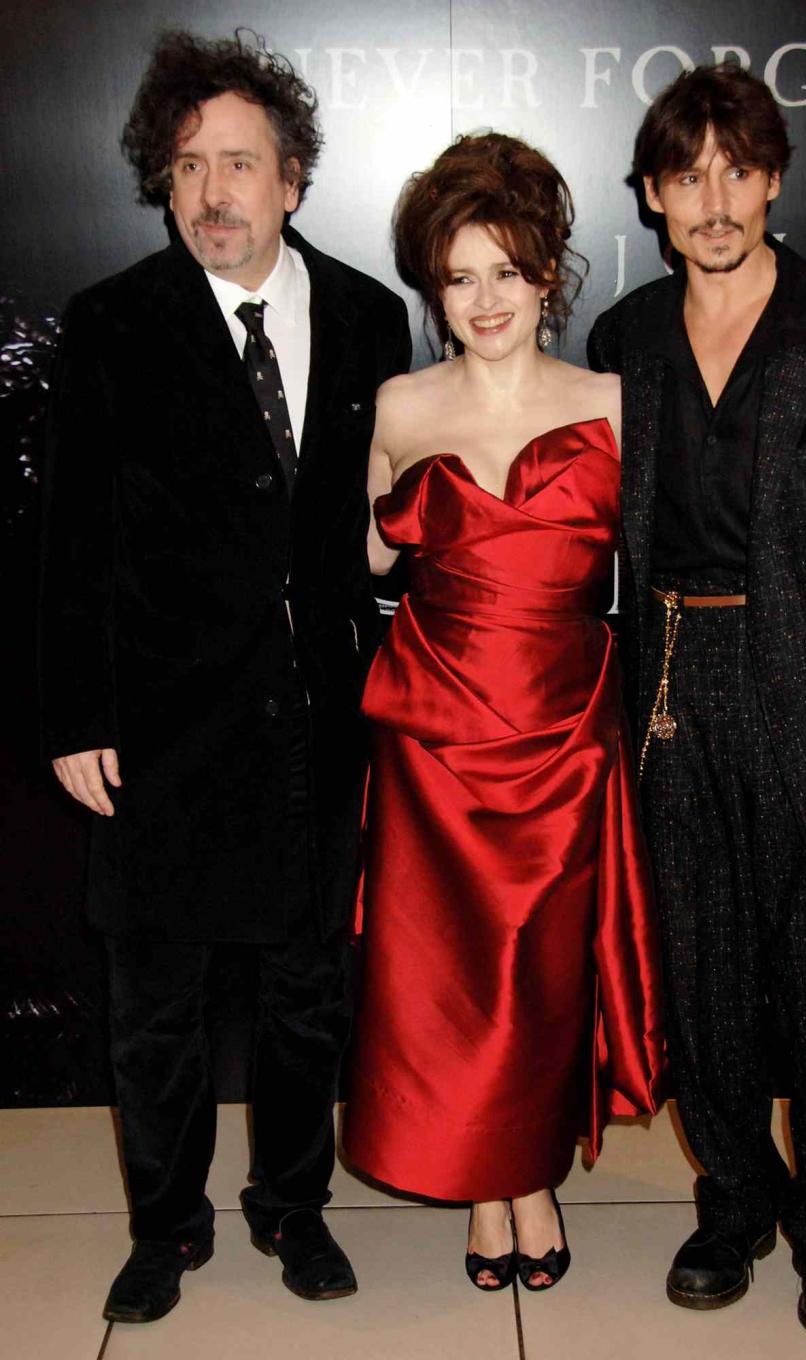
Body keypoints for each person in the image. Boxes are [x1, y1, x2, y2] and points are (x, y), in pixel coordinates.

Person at [38, 30, 410, 1322]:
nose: (214, 194)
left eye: (240, 164)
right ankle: (167, 1223)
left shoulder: (372, 317)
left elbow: (376, 519)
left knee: (308, 997)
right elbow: (70, 540)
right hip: (160, 727)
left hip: (316, 724)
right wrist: (78, 714)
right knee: (160, 1007)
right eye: (189, 166)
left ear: (293, 178)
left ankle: (292, 1209)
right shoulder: (112, 325)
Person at [589, 64, 806, 1343]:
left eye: (738, 170)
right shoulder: (623, 339)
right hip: (674, 682)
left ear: (776, 177)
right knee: (703, 968)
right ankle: (735, 1194)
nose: (715, 200)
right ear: (651, 193)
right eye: (687, 176)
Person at [340, 132, 664, 1293]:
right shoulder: (400, 401)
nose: (484, 299)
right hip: (434, 740)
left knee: (541, 974)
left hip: (568, 735)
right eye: (459, 275)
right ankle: (493, 1186)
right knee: (453, 976)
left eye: (508, 270)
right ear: (435, 284)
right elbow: (371, 557)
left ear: (548, 274)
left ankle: (526, 1165)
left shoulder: (617, 403)